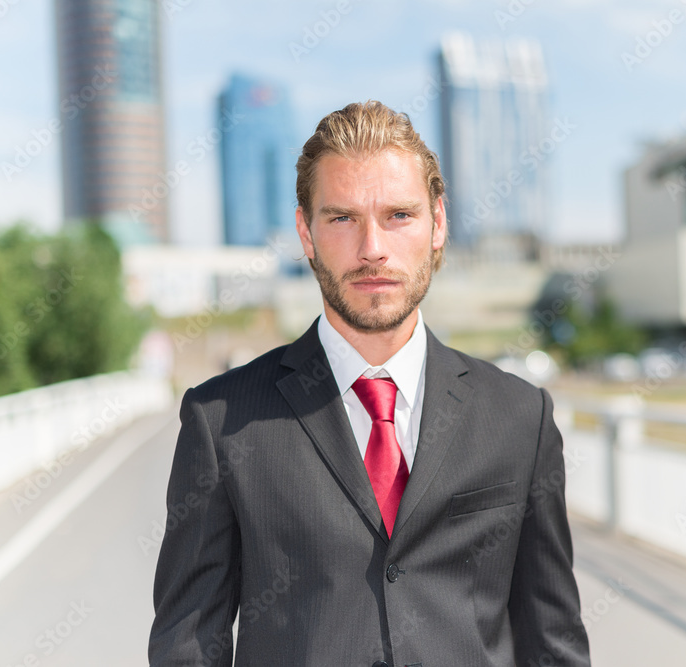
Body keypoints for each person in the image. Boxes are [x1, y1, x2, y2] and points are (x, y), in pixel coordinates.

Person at [149, 101, 590, 666]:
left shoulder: (519, 416)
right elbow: (187, 645)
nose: (372, 248)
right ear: (306, 234)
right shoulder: (221, 420)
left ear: (438, 223)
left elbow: (553, 641)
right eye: (342, 218)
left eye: (398, 216)